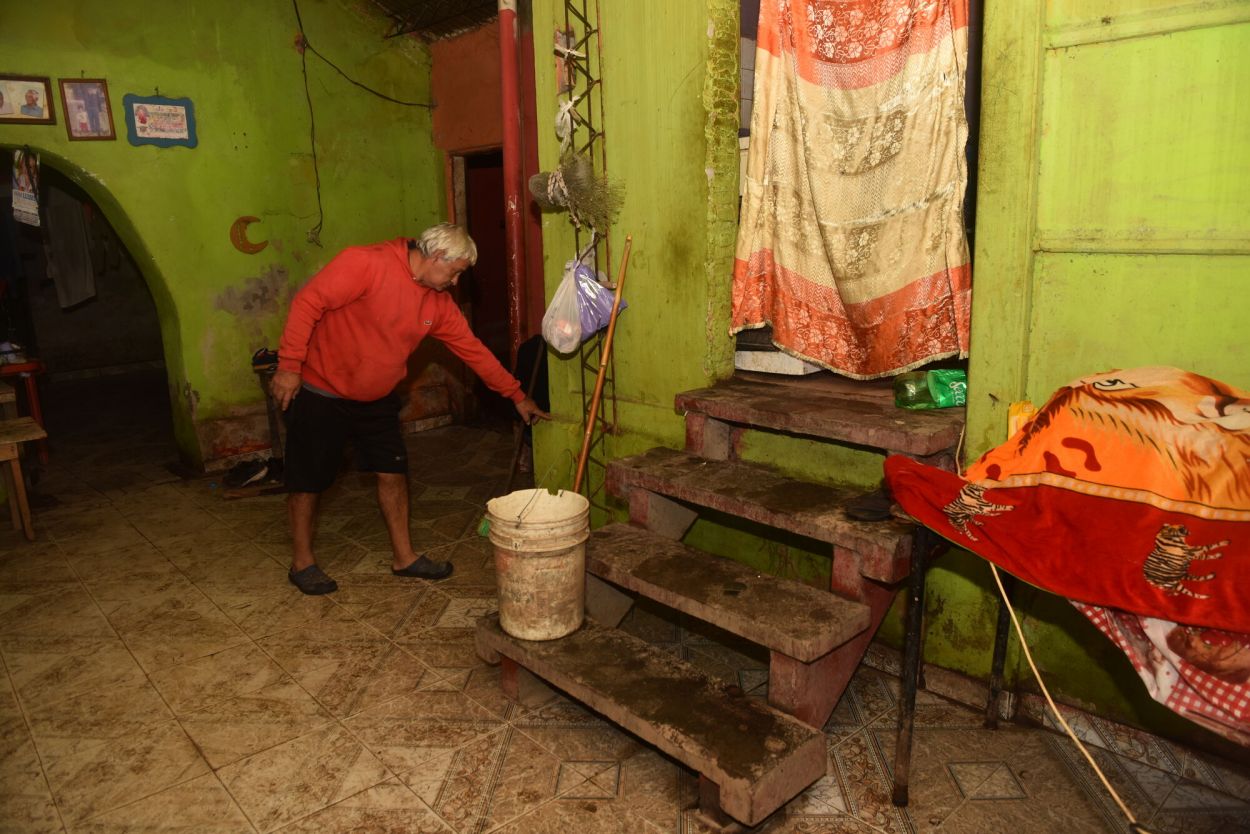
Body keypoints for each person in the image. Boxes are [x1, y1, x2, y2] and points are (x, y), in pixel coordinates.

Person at [273, 224, 550, 595]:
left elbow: (474, 351)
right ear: (436, 257)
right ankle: (302, 562)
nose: (454, 282)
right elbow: (308, 302)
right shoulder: (365, 263)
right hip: (322, 391)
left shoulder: (437, 304)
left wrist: (517, 396)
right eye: (454, 272)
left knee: (392, 472)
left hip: (376, 399)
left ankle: (404, 558)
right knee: (309, 479)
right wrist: (290, 366)